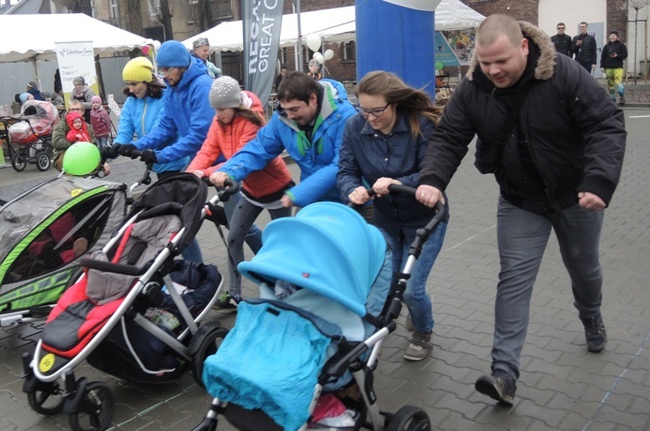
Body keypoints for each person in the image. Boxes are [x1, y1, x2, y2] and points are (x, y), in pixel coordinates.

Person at [414, 14, 625, 405]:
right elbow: (449, 137)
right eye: (485, 62)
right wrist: (432, 179)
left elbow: (606, 125)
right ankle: (504, 374)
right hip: (520, 200)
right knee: (513, 279)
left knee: (584, 270)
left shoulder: (565, 75)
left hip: (576, 197)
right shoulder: (474, 88)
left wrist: (599, 180)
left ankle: (591, 315)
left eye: (502, 61)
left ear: (524, 48)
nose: (492, 70)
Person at [337, 70, 448, 362]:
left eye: (377, 111)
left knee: (410, 289)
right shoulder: (353, 127)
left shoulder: (421, 125)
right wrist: (352, 190)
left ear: (395, 103)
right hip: (386, 219)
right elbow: (346, 171)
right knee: (386, 285)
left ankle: (423, 331)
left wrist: (397, 184)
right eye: (364, 110)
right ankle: (381, 326)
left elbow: (431, 172)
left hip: (425, 219)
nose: (370, 117)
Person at [187, 76, 293, 308]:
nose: (217, 113)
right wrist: (191, 174)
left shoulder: (252, 122)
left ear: (235, 105)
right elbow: (207, 150)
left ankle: (286, 287)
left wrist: (206, 174)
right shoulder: (219, 122)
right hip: (249, 190)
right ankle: (235, 295)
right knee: (234, 237)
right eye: (214, 108)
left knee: (282, 242)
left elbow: (239, 158)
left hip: (276, 189)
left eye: (222, 108)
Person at [108, 49, 210, 264]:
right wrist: (120, 148)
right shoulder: (141, 99)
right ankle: (194, 268)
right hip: (164, 163)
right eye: (129, 83)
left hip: (181, 162)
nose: (131, 88)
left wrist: (154, 153)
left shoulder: (180, 92)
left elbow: (178, 134)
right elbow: (136, 129)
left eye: (135, 83)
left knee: (180, 223)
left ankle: (198, 269)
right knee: (179, 222)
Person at [210, 72, 356, 209]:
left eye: (294, 109)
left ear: (313, 99)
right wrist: (228, 171)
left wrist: (298, 194)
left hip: (351, 197)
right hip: (313, 199)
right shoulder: (283, 119)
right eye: (285, 109)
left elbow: (340, 165)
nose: (290, 116)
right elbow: (259, 148)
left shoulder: (344, 117)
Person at [51, 99, 98, 172]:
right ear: (68, 111)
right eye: (72, 109)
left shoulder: (87, 126)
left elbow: (94, 143)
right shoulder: (61, 125)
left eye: (77, 109)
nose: (75, 111)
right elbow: (56, 142)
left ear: (83, 112)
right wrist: (76, 145)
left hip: (86, 155)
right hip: (65, 155)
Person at [601, 30, 628, 105]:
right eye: (611, 35)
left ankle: (621, 97)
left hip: (618, 67)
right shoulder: (606, 46)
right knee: (610, 83)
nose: (612, 37)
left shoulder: (621, 45)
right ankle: (612, 98)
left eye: (614, 35)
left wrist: (617, 56)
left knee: (618, 82)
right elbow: (603, 57)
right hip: (608, 67)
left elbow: (625, 55)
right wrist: (602, 66)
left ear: (617, 37)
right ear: (609, 37)